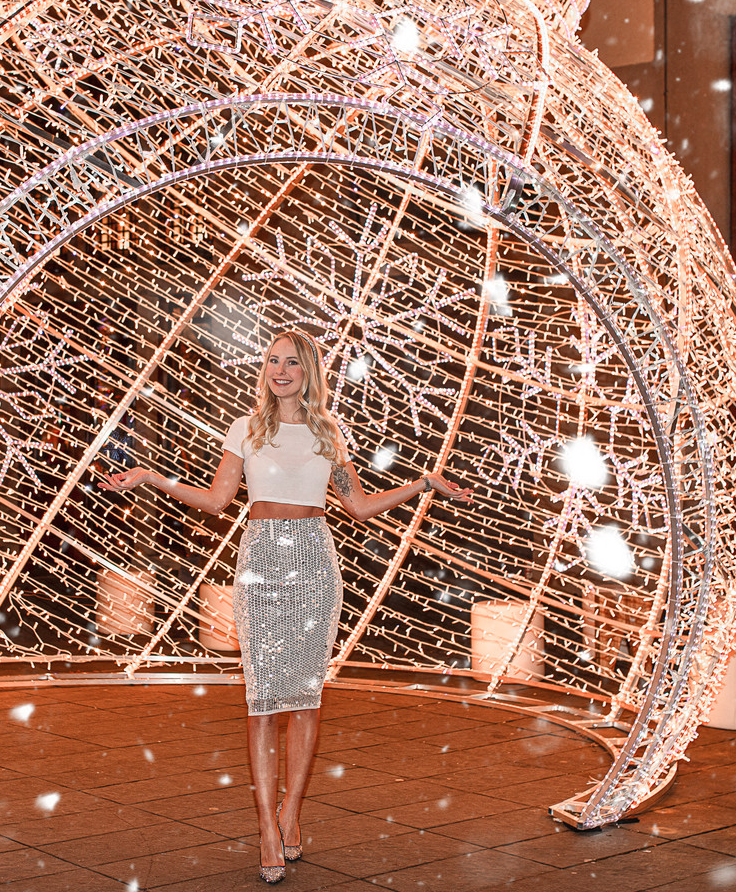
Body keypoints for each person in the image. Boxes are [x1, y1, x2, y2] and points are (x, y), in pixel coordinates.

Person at [101, 329, 471, 883]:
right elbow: (216, 499)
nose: (280, 371)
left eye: (291, 362)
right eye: (272, 360)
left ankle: (291, 811)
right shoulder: (246, 429)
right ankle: (266, 829)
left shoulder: (327, 432)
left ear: (309, 371)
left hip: (316, 565)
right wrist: (153, 476)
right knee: (262, 699)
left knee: (305, 698)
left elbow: (360, 507)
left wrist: (422, 484)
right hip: (262, 563)